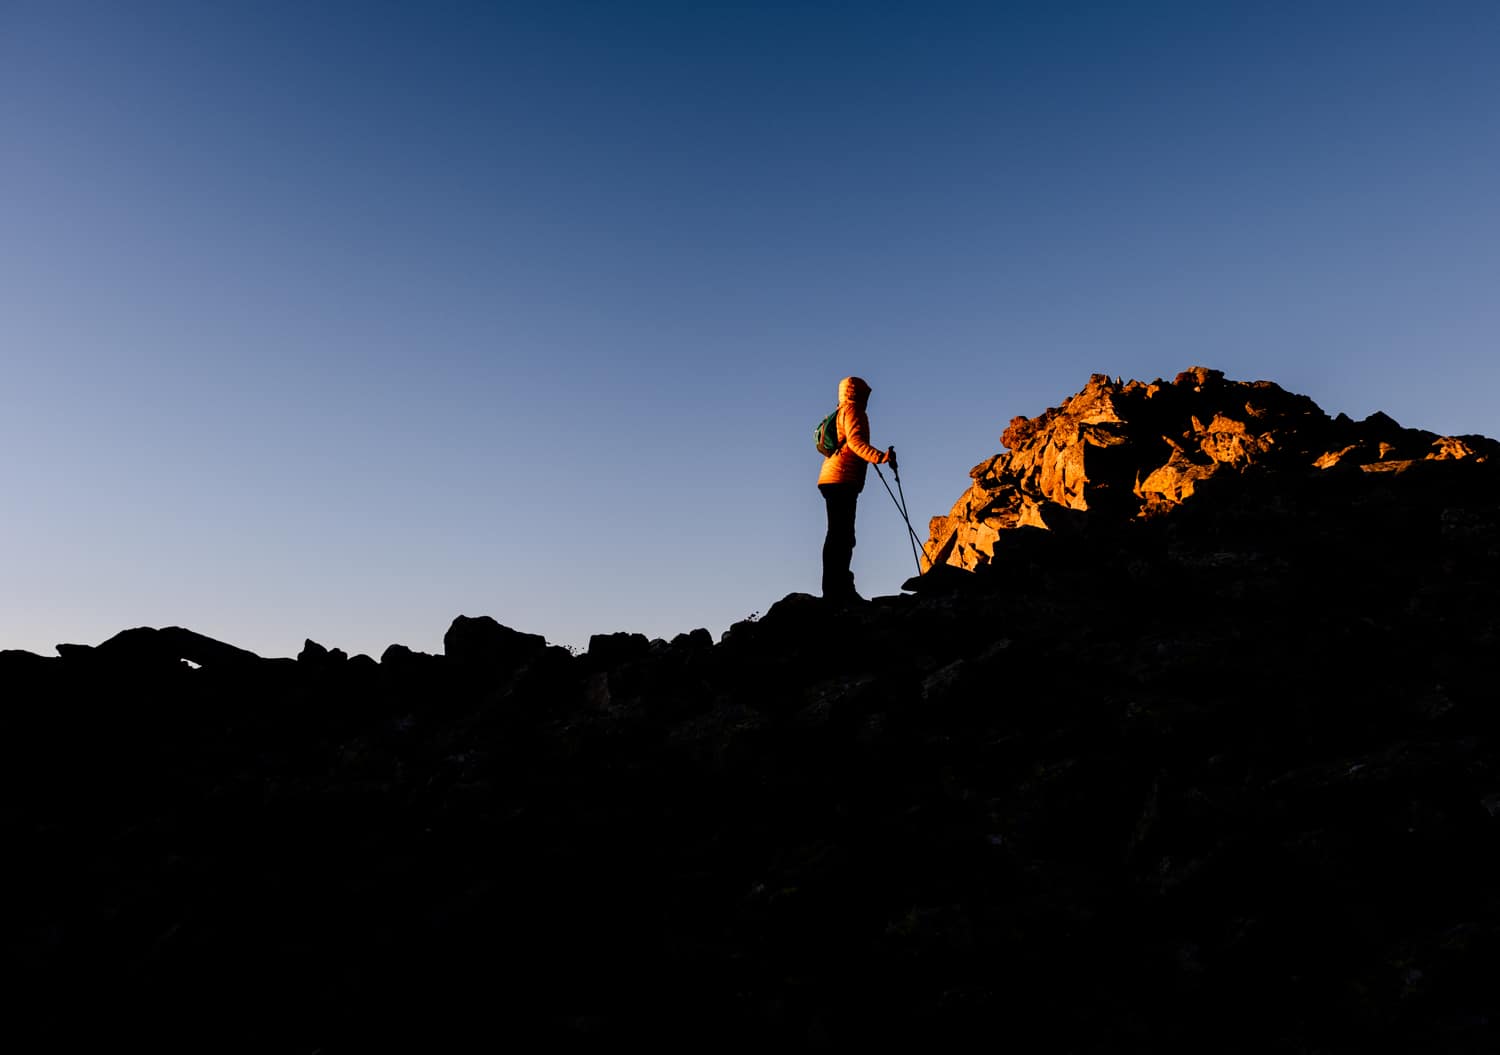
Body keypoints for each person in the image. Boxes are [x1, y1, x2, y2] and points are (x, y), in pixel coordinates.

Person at [817, 376, 896, 603]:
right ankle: (839, 590)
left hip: (833, 478)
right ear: (858, 393)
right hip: (842, 479)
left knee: (837, 535)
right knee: (842, 536)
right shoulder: (853, 411)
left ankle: (835, 588)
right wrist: (881, 457)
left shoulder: (841, 411)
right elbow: (856, 443)